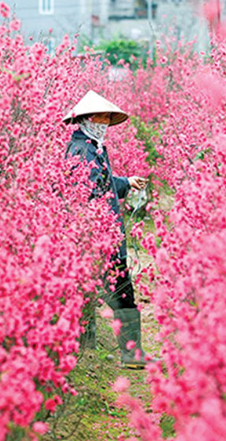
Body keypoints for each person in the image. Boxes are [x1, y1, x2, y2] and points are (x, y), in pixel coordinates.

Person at [63, 90, 152, 370]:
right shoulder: (84, 149)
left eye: (106, 118)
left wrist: (126, 182)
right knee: (121, 292)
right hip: (99, 237)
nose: (103, 122)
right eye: (99, 117)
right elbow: (87, 191)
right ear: (86, 119)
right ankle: (130, 355)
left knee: (92, 293)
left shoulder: (91, 147)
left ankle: (85, 353)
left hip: (98, 235)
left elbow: (103, 181)